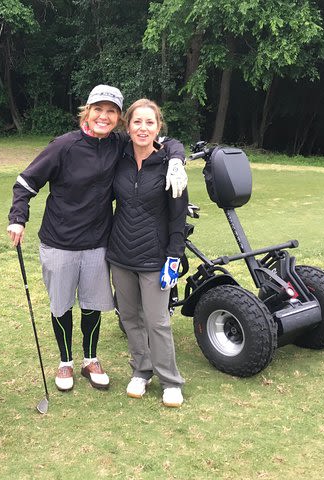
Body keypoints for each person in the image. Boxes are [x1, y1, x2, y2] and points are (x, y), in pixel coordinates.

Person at [7, 85, 187, 392]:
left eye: (111, 112)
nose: (104, 116)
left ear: (119, 120)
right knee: (62, 305)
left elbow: (164, 140)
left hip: (98, 244)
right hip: (59, 240)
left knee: (91, 305)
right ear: (86, 112)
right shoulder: (64, 145)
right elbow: (26, 181)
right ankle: (65, 363)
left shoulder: (118, 143)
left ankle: (90, 359)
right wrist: (17, 218)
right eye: (98, 110)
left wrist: (176, 159)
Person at [107, 98, 187, 407]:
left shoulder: (170, 164)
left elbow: (178, 217)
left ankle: (170, 380)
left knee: (157, 321)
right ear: (128, 127)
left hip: (155, 257)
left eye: (149, 122)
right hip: (120, 255)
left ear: (158, 128)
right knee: (129, 317)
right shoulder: (120, 158)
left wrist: (174, 256)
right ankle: (141, 370)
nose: (143, 128)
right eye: (137, 122)